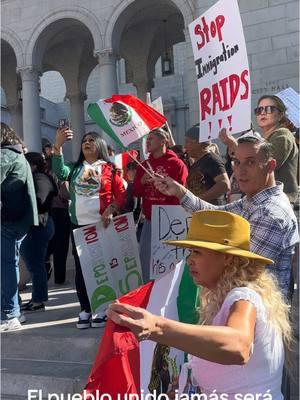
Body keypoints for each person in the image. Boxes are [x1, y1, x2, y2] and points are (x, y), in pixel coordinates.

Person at [108, 210, 292, 398]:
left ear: (226, 257)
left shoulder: (243, 297)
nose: (190, 260)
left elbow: (238, 346)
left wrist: (156, 327)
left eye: (197, 252)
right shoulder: (231, 297)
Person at [154, 135, 298, 300]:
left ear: (270, 166)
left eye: (250, 162)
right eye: (237, 162)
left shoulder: (271, 214)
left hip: (256, 313)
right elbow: (215, 214)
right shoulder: (254, 200)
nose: (240, 171)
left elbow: (244, 271)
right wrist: (180, 192)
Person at [52, 129, 127, 329]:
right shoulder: (75, 168)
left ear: (100, 145)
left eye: (92, 140)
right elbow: (59, 172)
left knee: (102, 268)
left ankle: (102, 309)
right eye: (84, 140)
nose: (87, 142)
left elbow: (121, 195)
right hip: (79, 227)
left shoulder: (110, 169)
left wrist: (111, 209)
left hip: (103, 226)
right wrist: (58, 146)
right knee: (82, 269)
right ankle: (85, 309)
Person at [132, 128, 188, 282]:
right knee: (146, 261)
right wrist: (142, 181)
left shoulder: (177, 164)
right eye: (147, 139)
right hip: (150, 220)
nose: (147, 142)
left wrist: (164, 183)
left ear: (163, 141)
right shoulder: (143, 165)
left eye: (151, 138)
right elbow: (136, 192)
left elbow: (182, 191)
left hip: (171, 221)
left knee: (170, 263)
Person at [1, 123, 38, 331]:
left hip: (8, 220)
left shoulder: (5, 155)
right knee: (9, 265)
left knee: (5, 267)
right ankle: (14, 311)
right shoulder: (16, 153)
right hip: (18, 219)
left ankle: (10, 315)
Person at [20, 152, 57, 312]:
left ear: (33, 165)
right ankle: (38, 298)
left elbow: (40, 201)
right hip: (40, 226)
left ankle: (38, 300)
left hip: (39, 226)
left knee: (35, 264)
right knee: (35, 263)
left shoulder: (39, 178)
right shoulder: (41, 177)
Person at [254, 95, 298, 203]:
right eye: (259, 110)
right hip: (267, 200)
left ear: (280, 115)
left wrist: (233, 145)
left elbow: (264, 166)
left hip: (280, 202)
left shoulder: (283, 135)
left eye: (269, 109)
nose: (263, 113)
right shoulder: (264, 139)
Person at [184, 124, 230, 204]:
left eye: (187, 141)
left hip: (212, 213)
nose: (185, 146)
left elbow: (224, 184)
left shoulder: (212, 160)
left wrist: (198, 201)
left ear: (198, 142)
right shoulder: (197, 163)